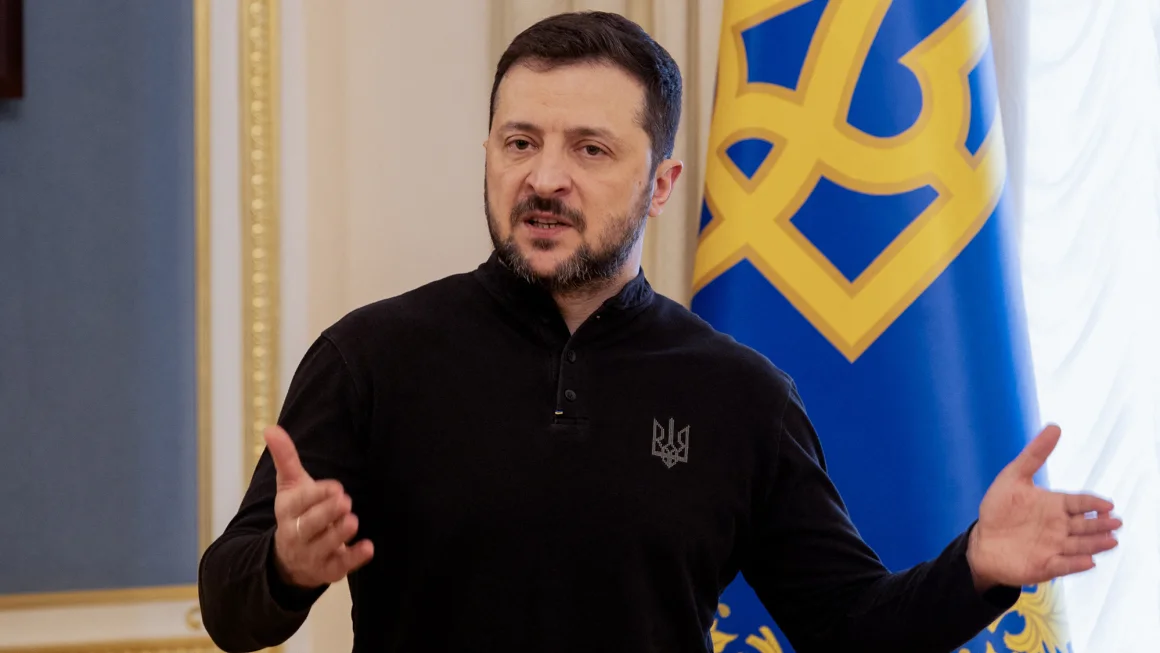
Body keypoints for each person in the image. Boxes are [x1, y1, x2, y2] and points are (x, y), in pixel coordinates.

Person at [197, 11, 1122, 653]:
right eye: (520, 142)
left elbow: (849, 627)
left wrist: (975, 567)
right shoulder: (370, 358)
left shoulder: (740, 395)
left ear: (662, 185)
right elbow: (231, 608)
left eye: (590, 149)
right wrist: (283, 563)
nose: (544, 178)